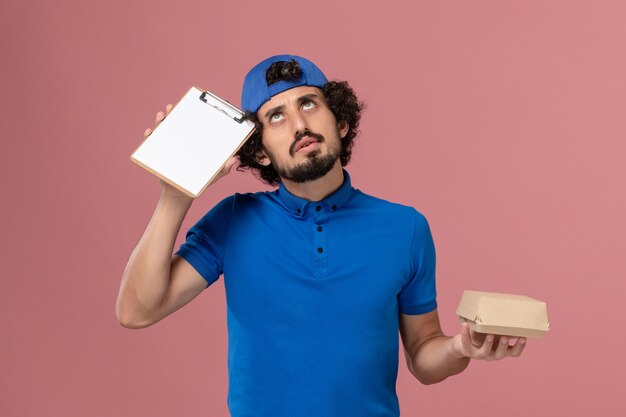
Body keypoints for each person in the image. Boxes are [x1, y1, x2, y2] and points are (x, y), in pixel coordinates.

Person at [116, 54, 527, 417]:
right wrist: (174, 195)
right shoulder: (233, 221)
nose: (299, 124)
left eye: (309, 103)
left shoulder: (406, 228)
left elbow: (424, 355)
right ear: (260, 151)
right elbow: (137, 311)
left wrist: (460, 349)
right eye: (275, 115)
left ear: (341, 122)